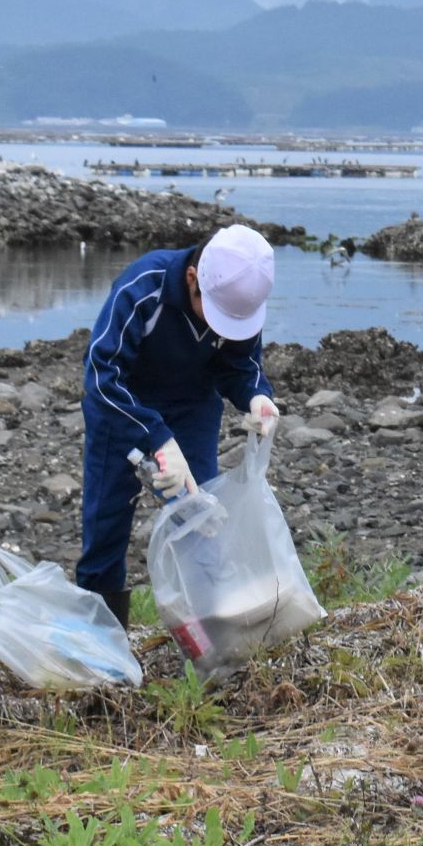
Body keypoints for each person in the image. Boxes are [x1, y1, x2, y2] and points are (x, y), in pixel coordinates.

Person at [76, 224, 279, 627]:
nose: (222, 328)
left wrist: (257, 396)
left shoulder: (241, 301)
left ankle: (212, 627)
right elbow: (101, 376)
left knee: (201, 516)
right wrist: (156, 438)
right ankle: (100, 634)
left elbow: (240, 364)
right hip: (123, 408)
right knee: (106, 524)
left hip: (192, 408)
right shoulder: (143, 288)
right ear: (192, 279)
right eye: (217, 317)